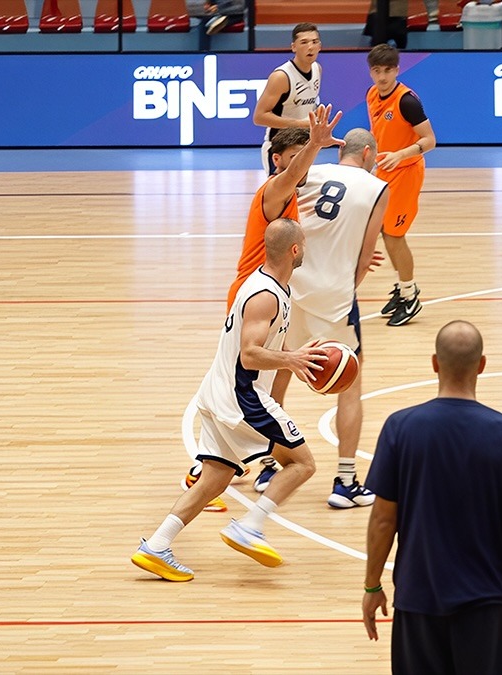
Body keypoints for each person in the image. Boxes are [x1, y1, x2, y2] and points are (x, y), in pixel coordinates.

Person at [132, 218, 329, 582]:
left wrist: (292, 353)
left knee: (214, 480)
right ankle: (249, 526)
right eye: (305, 243)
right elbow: (250, 354)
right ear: (295, 249)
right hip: (242, 397)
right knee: (302, 463)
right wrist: (291, 360)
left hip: (220, 393)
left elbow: (261, 343)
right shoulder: (266, 295)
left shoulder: (270, 286)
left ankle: (157, 545)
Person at [362, 320, 502, 673]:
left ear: (434, 363)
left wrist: (372, 586)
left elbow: (384, 519)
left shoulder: (399, 428)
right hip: (488, 605)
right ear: (482, 365)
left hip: (417, 604)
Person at [183, 106, 343, 512]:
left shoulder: (291, 200)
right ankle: (231, 465)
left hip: (269, 293)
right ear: (277, 160)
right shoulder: (275, 188)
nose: (302, 164)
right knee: (247, 383)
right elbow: (292, 175)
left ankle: (212, 467)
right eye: (295, 156)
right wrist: (316, 145)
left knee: (253, 384)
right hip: (255, 294)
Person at [266, 128, 388, 509]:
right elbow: (367, 254)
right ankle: (346, 482)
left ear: (342, 152)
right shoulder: (376, 187)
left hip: (292, 285)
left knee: (280, 373)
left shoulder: (311, 171)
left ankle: (270, 465)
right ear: (368, 154)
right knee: (350, 383)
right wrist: (346, 287)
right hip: (334, 295)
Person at [366, 44, 436, 327]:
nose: (382, 77)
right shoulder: (372, 94)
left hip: (406, 172)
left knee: (395, 235)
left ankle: (410, 295)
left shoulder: (406, 101)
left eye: (388, 71)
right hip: (384, 171)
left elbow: (430, 140)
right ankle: (402, 287)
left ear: (397, 69)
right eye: (377, 71)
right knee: (386, 231)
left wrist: (401, 154)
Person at [253, 23, 322, 176]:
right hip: (280, 146)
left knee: (302, 196)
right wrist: (299, 124)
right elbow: (259, 117)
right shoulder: (281, 77)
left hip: (304, 144)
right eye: (304, 42)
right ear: (293, 47)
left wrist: (316, 120)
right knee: (280, 196)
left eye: (314, 42)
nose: (310, 47)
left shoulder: (317, 69)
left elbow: (308, 107)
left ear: (320, 46)